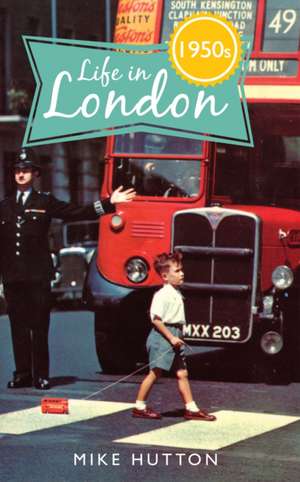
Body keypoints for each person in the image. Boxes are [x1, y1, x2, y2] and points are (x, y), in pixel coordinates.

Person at [0, 149, 136, 390]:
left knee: (39, 327)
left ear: (35, 174)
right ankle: (22, 373)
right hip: (13, 277)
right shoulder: (5, 205)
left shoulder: (44, 202)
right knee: (17, 327)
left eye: (26, 170)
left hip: (38, 276)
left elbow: (76, 212)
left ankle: (41, 375)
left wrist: (108, 204)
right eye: (18, 171)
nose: (21, 174)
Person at [132, 251, 216, 421]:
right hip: (163, 337)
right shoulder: (161, 295)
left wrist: (178, 336)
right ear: (164, 276)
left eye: (181, 270)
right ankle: (139, 406)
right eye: (177, 271)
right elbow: (156, 320)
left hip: (175, 334)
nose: (182, 273)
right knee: (155, 372)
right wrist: (171, 338)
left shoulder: (176, 293)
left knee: (182, 373)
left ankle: (191, 408)